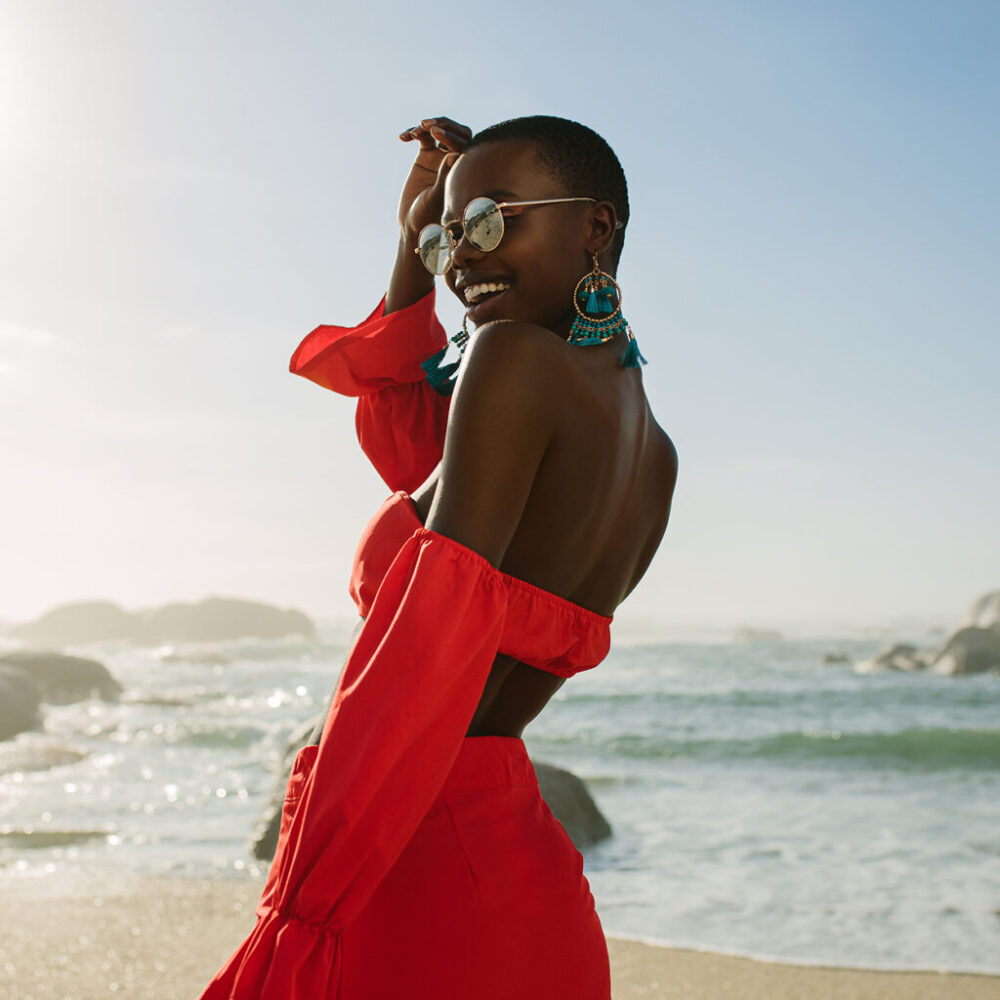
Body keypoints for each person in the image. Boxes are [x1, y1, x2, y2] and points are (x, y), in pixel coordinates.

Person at [197, 115, 678, 1000]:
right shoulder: (652, 453)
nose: (460, 258)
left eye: (492, 222)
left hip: (413, 866)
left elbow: (423, 654)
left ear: (595, 227)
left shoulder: (512, 361)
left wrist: (298, 912)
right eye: (446, 234)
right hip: (518, 881)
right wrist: (410, 243)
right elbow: (418, 448)